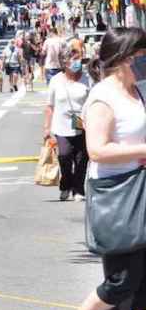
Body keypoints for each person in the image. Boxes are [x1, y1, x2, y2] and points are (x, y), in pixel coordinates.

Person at [56, 27, 146, 310]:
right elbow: (97, 150)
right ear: (124, 58)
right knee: (123, 278)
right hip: (117, 194)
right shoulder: (103, 96)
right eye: (140, 55)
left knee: (145, 276)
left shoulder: (136, 90)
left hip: (140, 186)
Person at [43, 39, 91, 202]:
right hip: (61, 125)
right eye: (73, 60)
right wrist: (47, 128)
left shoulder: (86, 78)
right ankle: (66, 184)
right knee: (64, 156)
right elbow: (49, 106)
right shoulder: (56, 80)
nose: (77, 63)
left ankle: (79, 189)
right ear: (65, 62)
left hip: (82, 123)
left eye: (79, 59)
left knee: (81, 158)